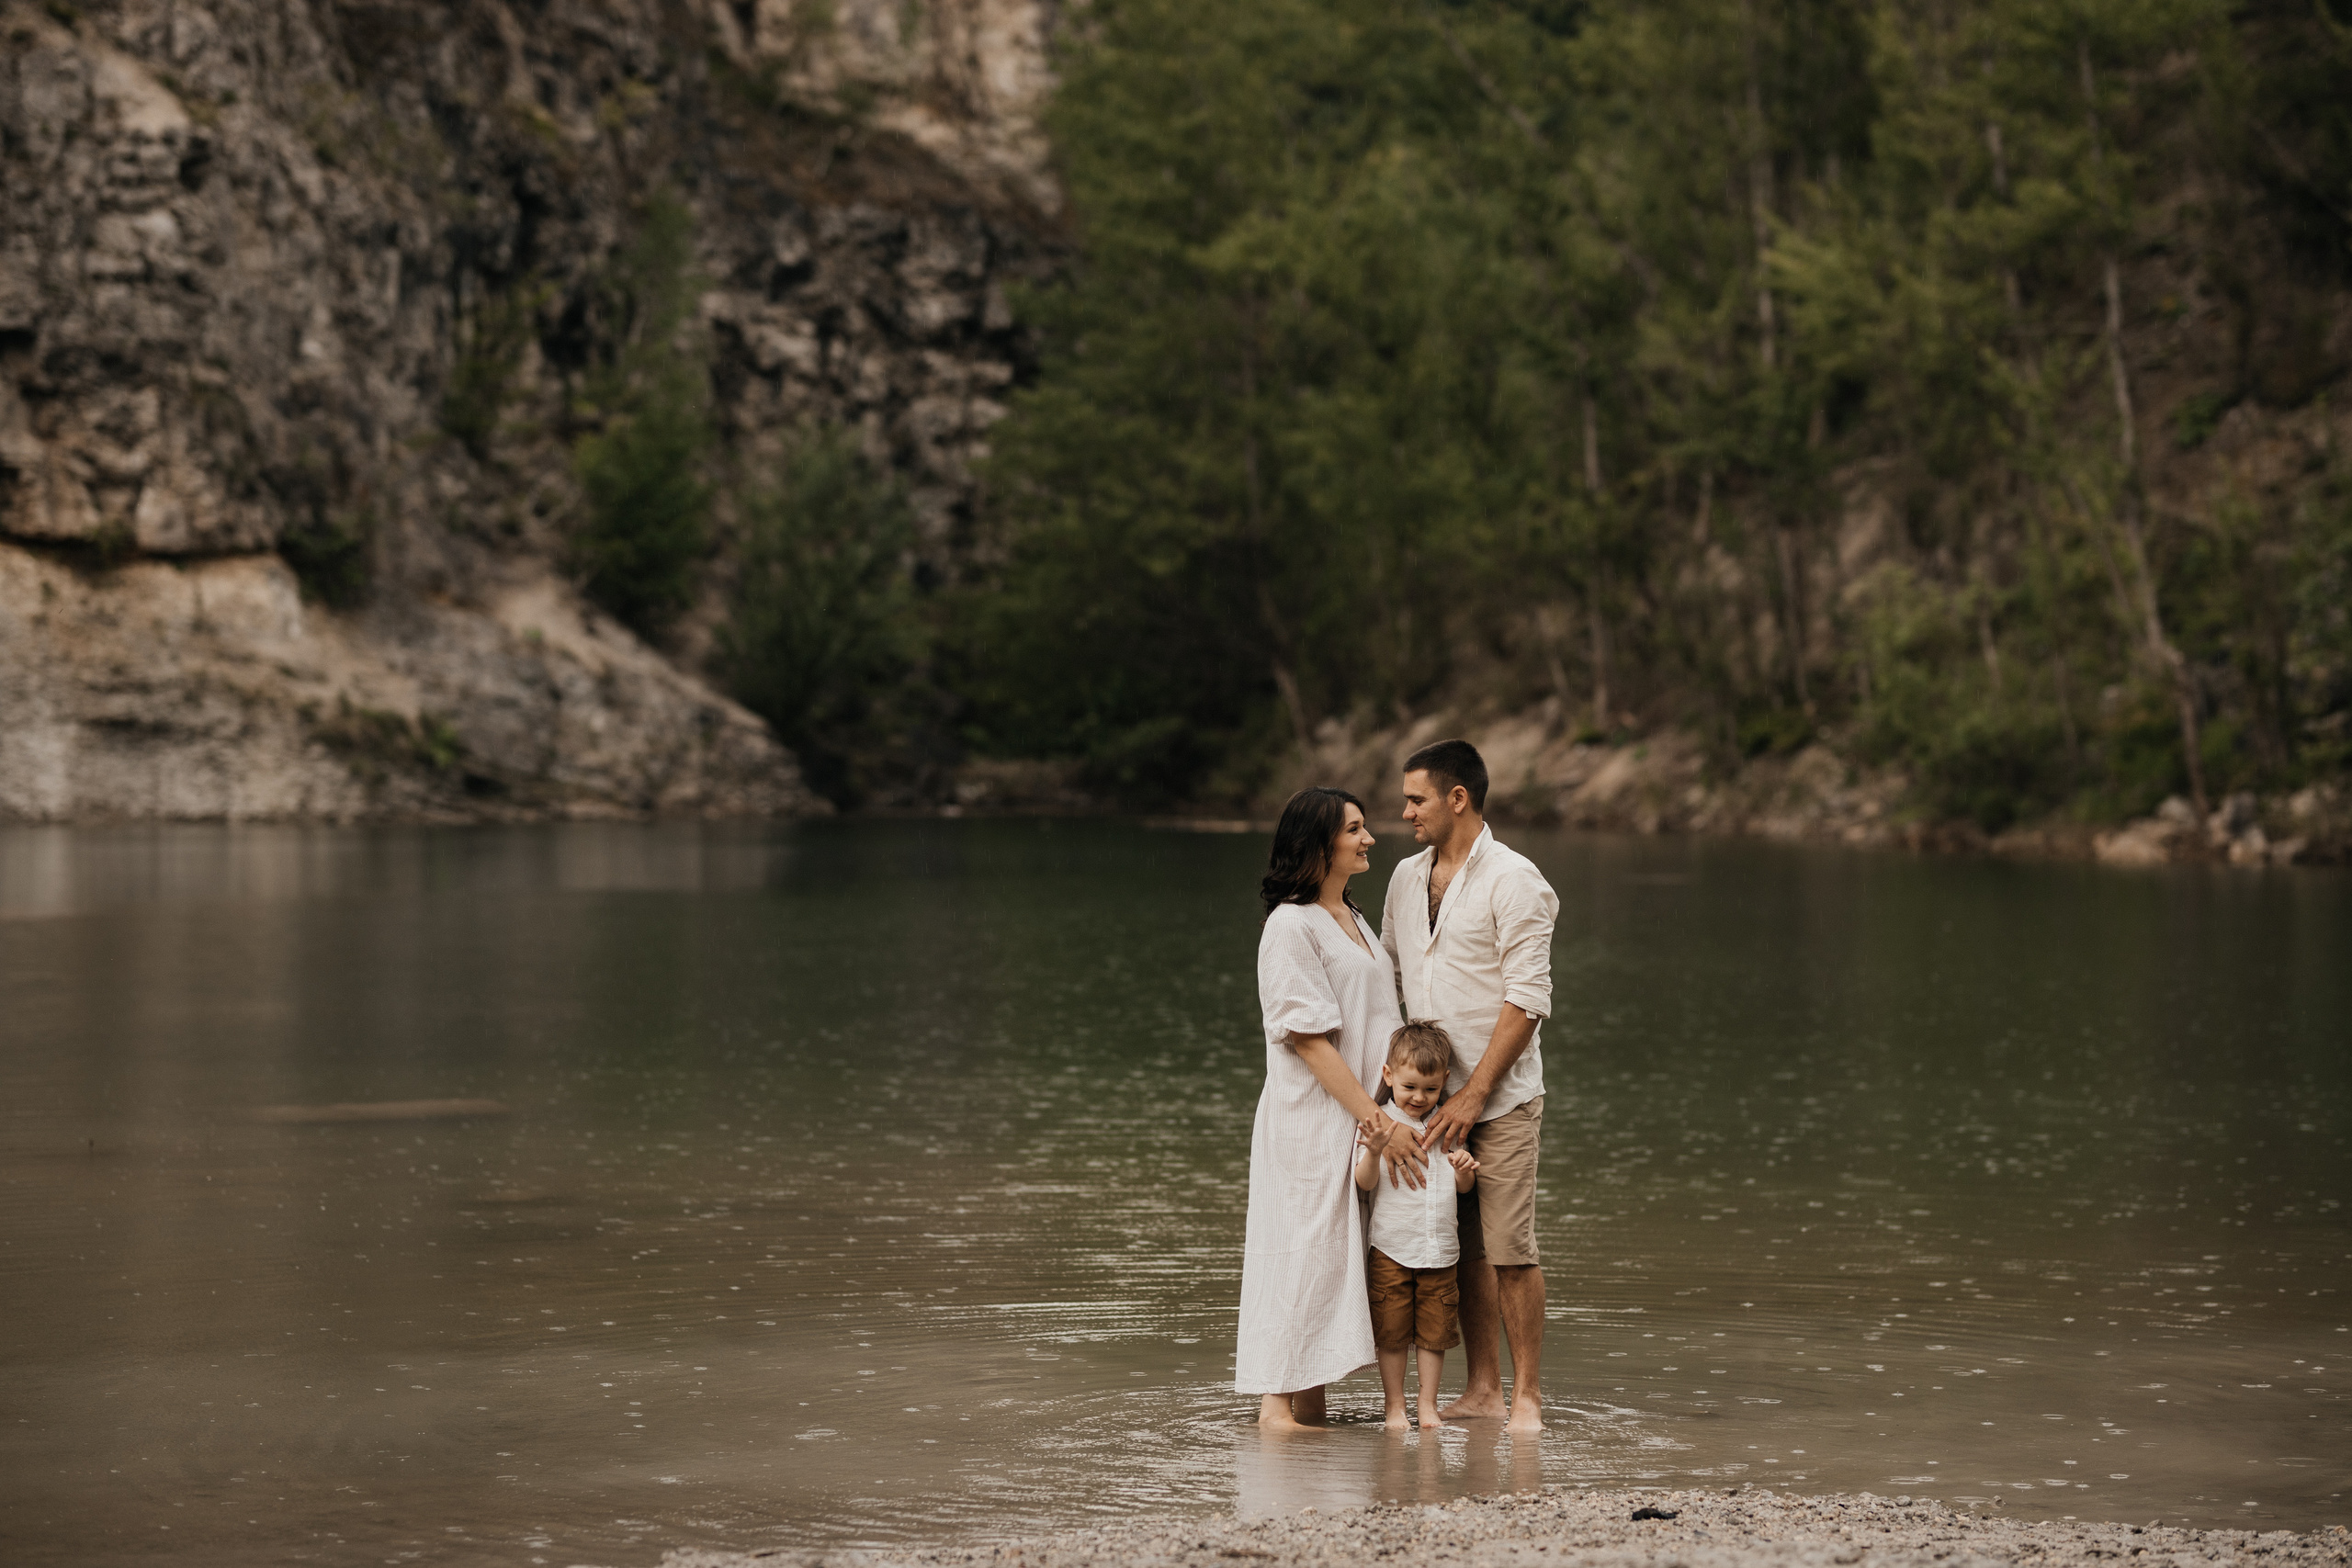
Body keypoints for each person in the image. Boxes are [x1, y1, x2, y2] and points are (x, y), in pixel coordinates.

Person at [1379, 739, 1559, 1434]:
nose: (1405, 812)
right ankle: (1483, 1389)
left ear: (1458, 798)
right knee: (1460, 1251)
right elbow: (1390, 977)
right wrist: (1387, 1093)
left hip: (1500, 1098)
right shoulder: (1404, 878)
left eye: (1416, 799)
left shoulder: (1516, 880)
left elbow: (1528, 999)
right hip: (1423, 1102)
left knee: (1510, 1248)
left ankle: (1527, 1398)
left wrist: (1476, 1092)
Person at [1237, 786, 1424, 1429]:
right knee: (1303, 1254)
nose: (1368, 838)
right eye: (1354, 828)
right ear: (1317, 843)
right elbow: (1309, 1040)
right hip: (1311, 1121)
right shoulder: (1291, 924)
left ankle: (1310, 1412)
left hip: (1358, 1118)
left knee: (1333, 1258)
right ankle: (1276, 1412)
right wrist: (1379, 1123)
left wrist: (1394, 1112)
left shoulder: (1353, 916)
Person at [1353, 1021, 1479, 1430]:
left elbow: (1463, 1188)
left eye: (1430, 1089)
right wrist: (1374, 1152)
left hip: (1440, 1250)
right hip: (1390, 1247)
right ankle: (1395, 1405)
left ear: (1445, 1080)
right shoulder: (1378, 1126)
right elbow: (1364, 1184)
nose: (1419, 1098)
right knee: (1390, 1332)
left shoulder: (1448, 1125)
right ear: (1388, 1076)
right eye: (1409, 1087)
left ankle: (1427, 1405)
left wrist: (1463, 1169)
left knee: (1434, 1332)